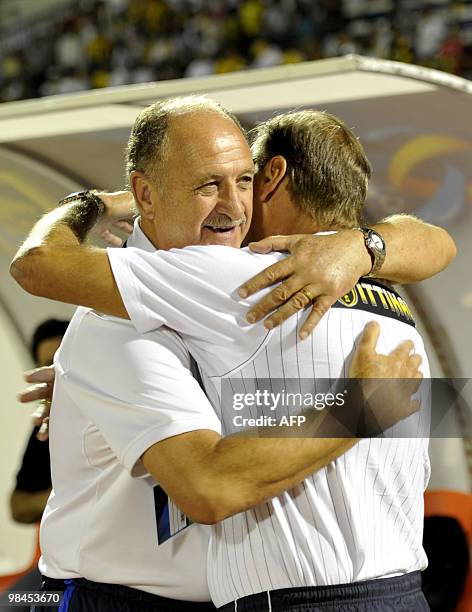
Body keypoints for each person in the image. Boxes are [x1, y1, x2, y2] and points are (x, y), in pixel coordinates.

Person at [11, 97, 454, 611]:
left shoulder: (250, 282)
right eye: (208, 184)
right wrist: (358, 407)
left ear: (268, 177)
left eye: (243, 181)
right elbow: (209, 485)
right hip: (122, 597)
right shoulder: (385, 296)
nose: (235, 206)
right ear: (144, 194)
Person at [10, 319, 69, 525]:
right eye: (47, 366)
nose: (56, 373)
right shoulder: (46, 427)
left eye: (61, 360)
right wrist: (65, 495)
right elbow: (18, 507)